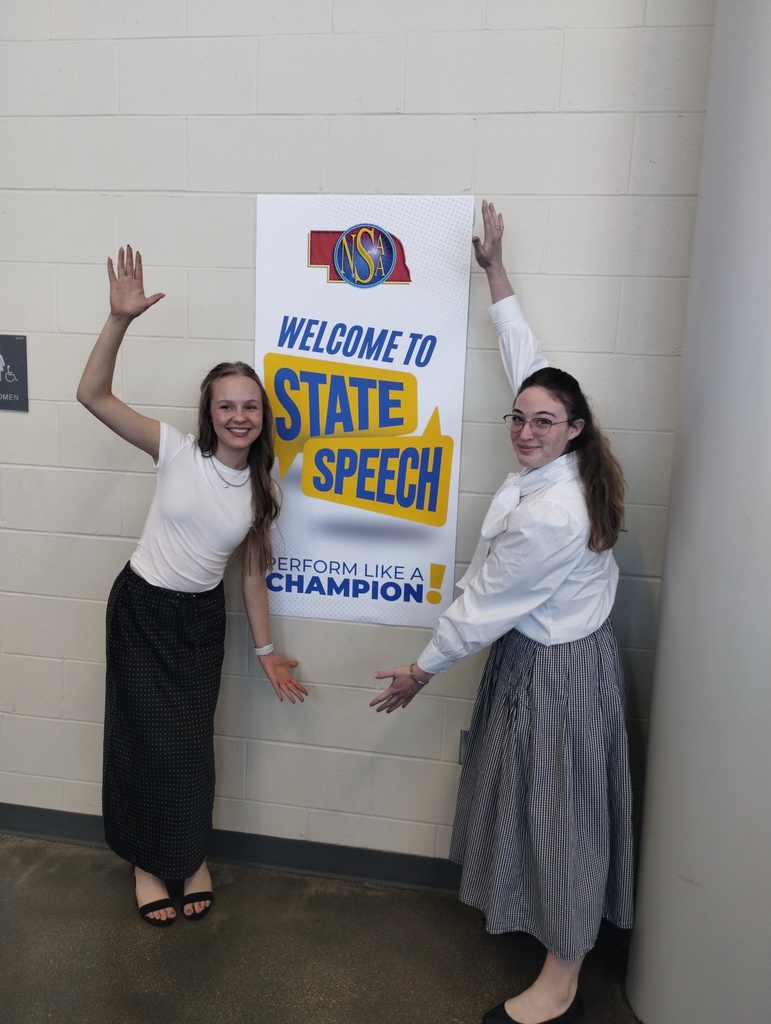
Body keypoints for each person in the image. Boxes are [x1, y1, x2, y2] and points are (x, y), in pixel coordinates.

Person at [370, 202, 634, 1024]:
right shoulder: (562, 450)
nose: (524, 430)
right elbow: (526, 355)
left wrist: (419, 672)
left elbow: (480, 608)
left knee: (561, 817)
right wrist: (493, 271)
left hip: (556, 671)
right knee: (534, 803)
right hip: (546, 657)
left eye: (541, 422)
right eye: (517, 417)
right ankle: (546, 930)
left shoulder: (552, 514)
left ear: (574, 430)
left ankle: (563, 978)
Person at [77, 245, 307, 927]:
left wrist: (267, 652)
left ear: (262, 416)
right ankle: (148, 864)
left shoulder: (261, 489)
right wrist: (119, 320)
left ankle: (190, 856)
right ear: (209, 413)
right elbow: (92, 396)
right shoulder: (175, 450)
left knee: (189, 747)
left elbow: (252, 574)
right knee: (143, 741)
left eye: (250, 407)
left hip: (201, 621)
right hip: (141, 609)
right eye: (226, 405)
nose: (239, 416)